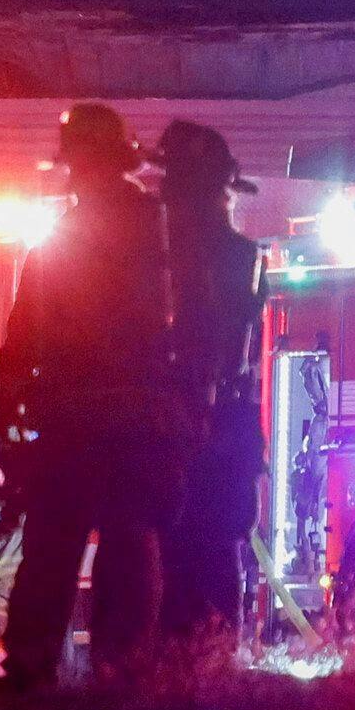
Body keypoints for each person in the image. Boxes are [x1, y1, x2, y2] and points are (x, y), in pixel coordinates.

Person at [0, 102, 180, 689]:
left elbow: (26, 332)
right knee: (125, 540)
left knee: (56, 544)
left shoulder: (65, 242)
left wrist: (10, 404)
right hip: (133, 419)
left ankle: (35, 669)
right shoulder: (159, 230)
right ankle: (120, 669)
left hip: (77, 420)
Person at [154, 121, 266, 647]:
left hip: (172, 431)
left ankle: (174, 674)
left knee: (168, 556)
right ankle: (216, 667)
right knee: (214, 551)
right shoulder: (244, 259)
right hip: (218, 430)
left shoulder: (149, 258)